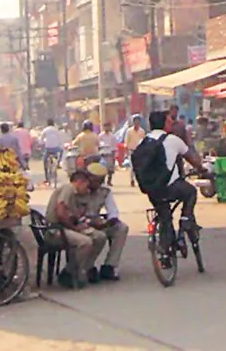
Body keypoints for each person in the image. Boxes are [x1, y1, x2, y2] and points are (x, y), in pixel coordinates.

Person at [143, 110, 206, 238]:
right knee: (191, 192)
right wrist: (202, 169)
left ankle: (164, 249)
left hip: (152, 190)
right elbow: (193, 160)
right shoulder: (173, 140)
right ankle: (185, 219)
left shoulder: (144, 142)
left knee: (164, 215)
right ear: (165, 124)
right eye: (169, 121)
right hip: (171, 188)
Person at [44, 169, 106, 288]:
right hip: (55, 230)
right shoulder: (68, 189)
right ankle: (70, 272)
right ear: (79, 182)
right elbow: (61, 213)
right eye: (86, 185)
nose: (87, 189)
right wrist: (75, 228)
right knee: (85, 242)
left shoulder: (76, 195)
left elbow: (74, 214)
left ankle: (83, 268)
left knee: (100, 237)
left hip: (65, 228)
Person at [83, 162, 129, 281]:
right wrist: (90, 222)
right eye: (94, 181)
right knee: (100, 236)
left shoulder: (105, 191)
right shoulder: (79, 189)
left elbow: (113, 211)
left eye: (100, 181)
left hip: (98, 222)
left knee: (122, 228)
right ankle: (87, 267)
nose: (97, 184)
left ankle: (110, 266)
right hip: (81, 224)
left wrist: (109, 222)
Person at [39, 118, 66, 186]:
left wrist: (41, 144)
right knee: (61, 152)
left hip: (48, 149)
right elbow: (60, 140)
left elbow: (41, 140)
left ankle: (47, 178)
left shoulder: (45, 130)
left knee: (45, 162)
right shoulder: (56, 130)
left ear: (47, 123)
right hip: (56, 149)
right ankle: (59, 162)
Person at [123, 115, 146, 187]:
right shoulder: (129, 131)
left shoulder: (142, 131)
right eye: (135, 121)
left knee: (140, 167)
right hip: (132, 151)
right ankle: (132, 180)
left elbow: (144, 142)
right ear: (133, 122)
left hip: (140, 151)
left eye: (138, 121)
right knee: (133, 167)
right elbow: (126, 142)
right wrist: (126, 152)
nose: (136, 123)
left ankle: (139, 180)